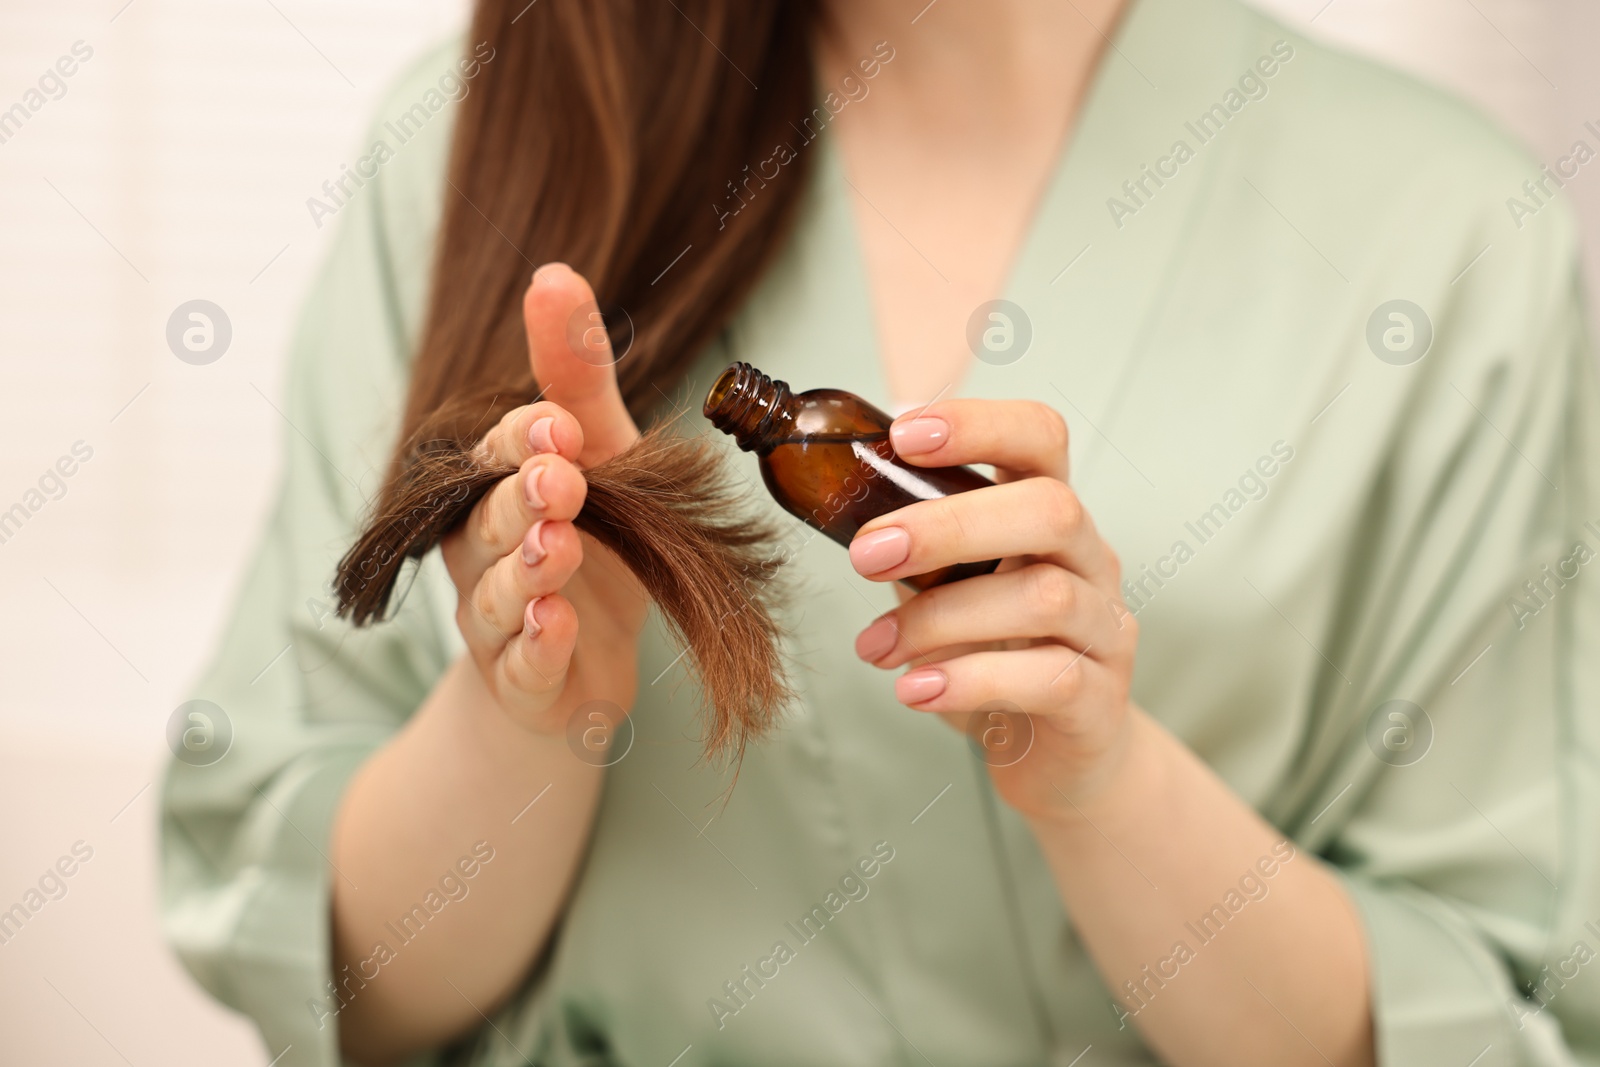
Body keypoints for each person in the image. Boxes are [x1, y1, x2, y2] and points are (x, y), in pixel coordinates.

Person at [161, 0, 1600, 1064]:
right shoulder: (489, 141)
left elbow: (1481, 1005)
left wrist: (1104, 789)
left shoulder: (1453, 243)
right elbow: (334, 969)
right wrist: (535, 722)